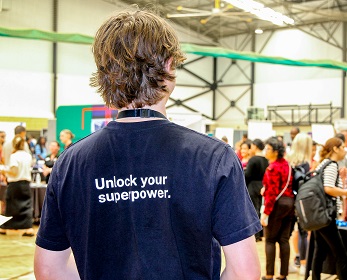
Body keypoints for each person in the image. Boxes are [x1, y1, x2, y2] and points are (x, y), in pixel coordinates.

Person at [34, 9, 261, 280]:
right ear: (168, 67)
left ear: (105, 74)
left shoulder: (70, 163)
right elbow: (244, 272)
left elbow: (49, 269)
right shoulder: (213, 157)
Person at [311, 137, 347, 280]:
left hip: (318, 212)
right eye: (342, 147)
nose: (344, 150)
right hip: (326, 214)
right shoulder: (331, 165)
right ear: (335, 149)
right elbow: (328, 188)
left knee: (319, 251)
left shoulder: (322, 164)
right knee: (341, 254)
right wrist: (345, 192)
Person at [261, 137, 294, 280]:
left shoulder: (272, 168)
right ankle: (283, 274)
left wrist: (265, 214)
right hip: (289, 204)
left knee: (270, 240)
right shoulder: (287, 164)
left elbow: (272, 193)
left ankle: (269, 275)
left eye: (268, 149)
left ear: (275, 151)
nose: (265, 151)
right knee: (284, 240)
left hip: (276, 206)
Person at [287, 132, 312, 275]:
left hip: (287, 200)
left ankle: (289, 263)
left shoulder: (288, 161)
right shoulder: (306, 164)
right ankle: (303, 264)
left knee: (287, 234)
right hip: (302, 201)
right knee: (303, 232)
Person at [0, 136, 34, 236]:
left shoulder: (14, 156)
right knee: (27, 206)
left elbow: (14, 172)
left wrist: (3, 170)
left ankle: (4, 228)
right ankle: (29, 228)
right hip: (26, 183)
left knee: (11, 206)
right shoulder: (28, 156)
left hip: (15, 184)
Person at [244, 138, 268, 242]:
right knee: (260, 208)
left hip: (253, 186)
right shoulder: (266, 159)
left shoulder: (253, 159)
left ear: (256, 147)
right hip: (262, 185)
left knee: (254, 209)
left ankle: (256, 234)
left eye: (252, 146)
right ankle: (260, 233)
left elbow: (248, 175)